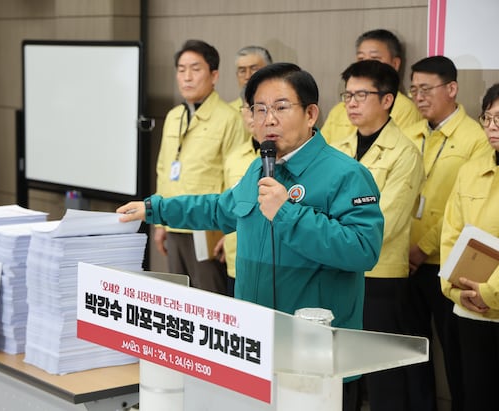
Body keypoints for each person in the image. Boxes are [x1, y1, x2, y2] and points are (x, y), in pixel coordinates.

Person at [119, 63, 385, 411]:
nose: (268, 119)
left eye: (280, 107)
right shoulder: (260, 168)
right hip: (254, 346)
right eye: (259, 109)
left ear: (310, 114)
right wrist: (155, 209)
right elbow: (220, 209)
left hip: (314, 356)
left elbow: (363, 249)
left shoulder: (346, 174)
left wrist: (287, 213)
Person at [332, 60, 424, 411]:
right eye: (347, 95)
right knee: (341, 371)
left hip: (380, 276)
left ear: (387, 100)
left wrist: (328, 236)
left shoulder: (405, 153)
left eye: (361, 95)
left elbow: (385, 223)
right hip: (337, 272)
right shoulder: (337, 146)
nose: (351, 103)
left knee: (382, 377)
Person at [402, 55, 493, 411]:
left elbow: (460, 215)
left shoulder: (475, 138)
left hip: (454, 267)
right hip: (412, 263)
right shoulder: (411, 134)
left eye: (427, 89)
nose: (419, 97)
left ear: (452, 88)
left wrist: (423, 248)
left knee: (459, 360)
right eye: (414, 90)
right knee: (414, 350)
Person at [153, 39, 254, 295]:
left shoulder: (229, 119)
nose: (187, 77)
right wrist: (159, 221)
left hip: (207, 228)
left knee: (207, 299)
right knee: (176, 298)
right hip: (172, 221)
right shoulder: (173, 116)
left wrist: (229, 232)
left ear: (214, 75)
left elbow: (237, 179)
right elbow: (163, 169)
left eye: (195, 69)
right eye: (181, 69)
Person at [440, 83, 499, 411]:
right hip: (469, 308)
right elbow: (451, 234)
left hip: (491, 300)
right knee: (475, 396)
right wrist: (452, 288)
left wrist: (489, 292)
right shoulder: (471, 171)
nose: (491, 127)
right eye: (487, 118)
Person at [218, 45, 273, 296]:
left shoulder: (285, 155)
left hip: (273, 259)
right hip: (236, 254)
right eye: (242, 70)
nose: (248, 75)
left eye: (254, 68)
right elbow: (224, 202)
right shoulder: (235, 156)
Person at [322, 29, 422, 144]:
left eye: (375, 59)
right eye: (361, 59)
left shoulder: (405, 109)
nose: (366, 65)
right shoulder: (339, 109)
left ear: (395, 64)